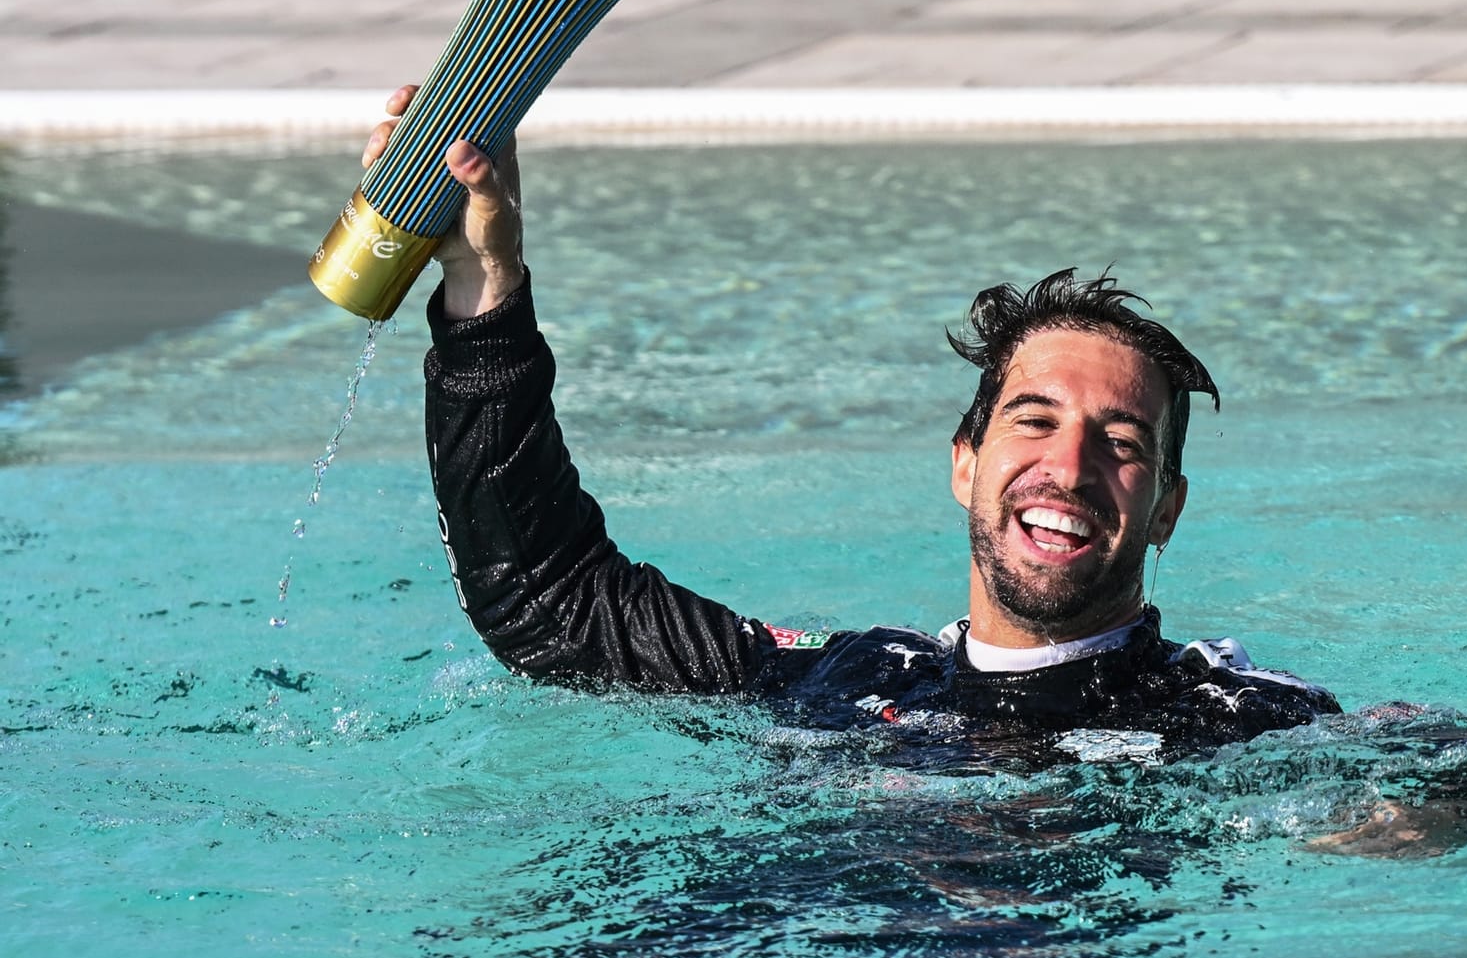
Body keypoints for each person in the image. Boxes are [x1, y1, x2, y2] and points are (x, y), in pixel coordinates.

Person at [364, 86, 1340, 758]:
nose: (1069, 465)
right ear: (963, 463)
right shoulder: (847, 679)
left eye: (1120, 445)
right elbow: (545, 604)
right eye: (1031, 422)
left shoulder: (1226, 720)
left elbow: (1458, 783)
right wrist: (480, 285)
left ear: (1165, 509)